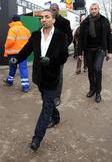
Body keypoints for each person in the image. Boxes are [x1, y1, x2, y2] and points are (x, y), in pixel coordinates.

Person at [9, 9, 68, 151]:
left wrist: (51, 61)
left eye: (47, 17)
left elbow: (64, 56)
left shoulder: (61, 36)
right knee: (47, 101)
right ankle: (56, 116)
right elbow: (26, 50)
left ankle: (37, 138)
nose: (43, 19)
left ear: (53, 20)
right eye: (42, 17)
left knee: (46, 107)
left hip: (52, 77)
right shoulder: (35, 35)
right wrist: (16, 59)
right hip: (39, 77)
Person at [78, 3, 112, 103]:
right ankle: (92, 89)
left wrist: (110, 51)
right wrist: (80, 52)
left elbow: (108, 37)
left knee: (97, 69)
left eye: (95, 9)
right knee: (90, 71)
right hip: (88, 50)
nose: (93, 11)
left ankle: (98, 92)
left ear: (99, 9)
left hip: (100, 49)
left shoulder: (104, 21)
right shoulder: (85, 22)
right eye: (91, 9)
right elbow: (80, 39)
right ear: (89, 10)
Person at [50, 3, 73, 106]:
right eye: (51, 9)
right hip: (48, 53)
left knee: (59, 75)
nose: (52, 12)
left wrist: (62, 47)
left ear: (58, 10)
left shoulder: (65, 22)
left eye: (54, 10)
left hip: (59, 54)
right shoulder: (46, 21)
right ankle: (50, 93)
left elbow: (70, 38)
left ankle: (57, 97)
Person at [4, 14, 31, 92]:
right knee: (23, 68)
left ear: (13, 20)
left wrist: (6, 45)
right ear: (20, 20)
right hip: (23, 53)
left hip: (13, 53)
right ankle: (25, 86)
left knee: (12, 67)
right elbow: (29, 41)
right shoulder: (26, 30)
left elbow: (10, 41)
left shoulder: (12, 29)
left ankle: (9, 81)